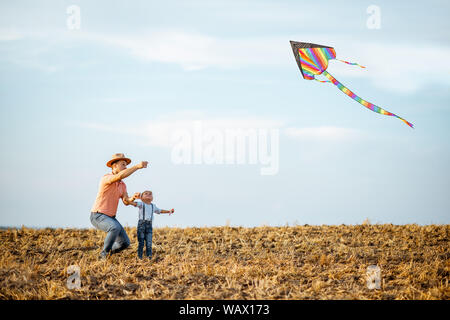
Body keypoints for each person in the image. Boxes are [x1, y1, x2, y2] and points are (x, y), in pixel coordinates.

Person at [90, 153, 148, 260]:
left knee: (124, 243)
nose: (125, 167)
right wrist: (137, 166)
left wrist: (133, 198)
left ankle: (107, 252)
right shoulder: (106, 178)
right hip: (97, 215)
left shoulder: (122, 185)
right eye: (123, 165)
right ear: (114, 166)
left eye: (126, 165)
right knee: (114, 228)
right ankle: (104, 254)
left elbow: (126, 201)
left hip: (111, 217)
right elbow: (120, 176)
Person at [129, 190, 174, 260]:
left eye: (150, 194)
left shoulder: (153, 206)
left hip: (149, 225)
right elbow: (131, 203)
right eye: (146, 194)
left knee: (149, 242)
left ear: (152, 198)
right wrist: (133, 197)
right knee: (141, 242)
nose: (148, 194)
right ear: (141, 197)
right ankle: (139, 257)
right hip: (141, 224)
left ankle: (149, 257)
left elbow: (160, 211)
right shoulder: (141, 204)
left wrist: (169, 211)